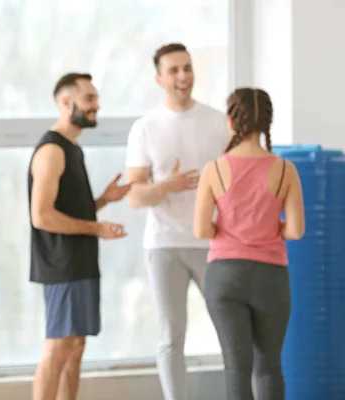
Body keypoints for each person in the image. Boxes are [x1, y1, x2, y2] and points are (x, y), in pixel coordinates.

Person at [124, 43, 230, 400]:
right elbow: (135, 196)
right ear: (159, 78)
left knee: (229, 330)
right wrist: (166, 185)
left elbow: (238, 180)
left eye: (187, 68)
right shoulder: (146, 128)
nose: (183, 76)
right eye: (173, 70)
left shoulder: (219, 122)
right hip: (164, 245)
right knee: (171, 335)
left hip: (212, 241)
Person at [193, 88, 305, 400]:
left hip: (225, 277)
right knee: (269, 367)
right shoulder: (285, 170)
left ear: (231, 122)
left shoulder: (213, 170)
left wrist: (230, 227)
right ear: (268, 122)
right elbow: (296, 230)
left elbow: (202, 229)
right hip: (271, 277)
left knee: (236, 368)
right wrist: (268, 226)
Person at [29, 72, 131, 400]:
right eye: (89, 99)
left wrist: (102, 200)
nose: (96, 106)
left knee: (75, 347)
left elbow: (67, 208)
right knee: (59, 347)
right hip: (62, 265)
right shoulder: (52, 150)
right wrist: (97, 228)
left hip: (80, 263)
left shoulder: (72, 149)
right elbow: (41, 215)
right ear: (65, 102)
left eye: (95, 99)